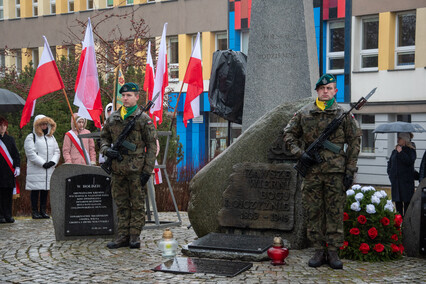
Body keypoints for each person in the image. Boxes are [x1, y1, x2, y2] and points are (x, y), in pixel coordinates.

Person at [283, 74, 361, 269]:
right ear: (317, 91)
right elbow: (288, 134)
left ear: (335, 91)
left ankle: (333, 251)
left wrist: (350, 170)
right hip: (312, 172)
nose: (325, 92)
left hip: (336, 173)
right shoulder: (304, 113)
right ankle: (318, 250)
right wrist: (300, 154)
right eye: (322, 89)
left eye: (330, 89)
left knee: (334, 211)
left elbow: (354, 142)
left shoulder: (343, 115)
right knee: (313, 211)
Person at [100, 82, 157, 249]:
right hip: (118, 169)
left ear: (137, 97)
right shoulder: (113, 118)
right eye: (123, 96)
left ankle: (134, 236)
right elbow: (103, 138)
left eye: (129, 95)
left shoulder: (143, 119)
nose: (125, 98)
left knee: (137, 203)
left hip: (136, 169)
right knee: (121, 203)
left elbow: (152, 146)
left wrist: (147, 170)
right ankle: (123, 236)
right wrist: (106, 150)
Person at [24, 115, 60, 219]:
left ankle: (43, 210)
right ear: (37, 125)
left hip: (48, 169)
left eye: (46, 124)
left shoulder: (51, 137)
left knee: (45, 190)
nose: (44, 126)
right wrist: (43, 163)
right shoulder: (31, 137)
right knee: (35, 190)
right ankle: (35, 211)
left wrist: (53, 162)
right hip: (37, 169)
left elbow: (57, 151)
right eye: (42, 124)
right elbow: (30, 153)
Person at [387, 132, 416, 217]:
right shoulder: (395, 151)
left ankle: (406, 226)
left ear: (405, 140)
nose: (397, 140)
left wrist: (401, 153)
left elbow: (409, 162)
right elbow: (390, 163)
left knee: (407, 206)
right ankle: (399, 223)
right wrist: (390, 174)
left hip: (406, 183)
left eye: (400, 138)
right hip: (396, 182)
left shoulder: (411, 150)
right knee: (398, 205)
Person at [0, 116, 21, 223]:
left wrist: (17, 166)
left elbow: (16, 155)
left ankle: (8, 215)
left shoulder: (10, 139)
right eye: (0, 125)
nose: (2, 127)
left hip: (8, 172)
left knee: (8, 195)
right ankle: (1, 215)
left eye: (4, 125)